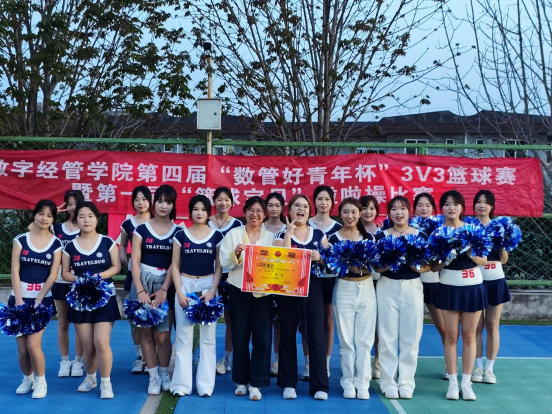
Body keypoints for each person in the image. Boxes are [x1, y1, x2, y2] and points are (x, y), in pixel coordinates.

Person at [219, 196, 276, 401]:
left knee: (262, 338)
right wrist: (236, 254)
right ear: (244, 212)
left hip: (263, 294)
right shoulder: (234, 234)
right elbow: (224, 262)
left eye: (259, 211)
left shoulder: (271, 238)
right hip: (238, 291)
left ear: (264, 215)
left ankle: (257, 382)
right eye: (251, 210)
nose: (255, 214)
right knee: (240, 336)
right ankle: (241, 380)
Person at [62, 201, 120, 399]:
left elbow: (116, 267)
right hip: (80, 299)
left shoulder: (107, 242)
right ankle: (90, 377)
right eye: (81, 216)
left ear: (97, 218)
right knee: (88, 346)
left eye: (90, 216)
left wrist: (98, 277)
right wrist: (81, 280)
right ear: (76, 220)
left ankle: (106, 383)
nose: (86, 220)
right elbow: (65, 273)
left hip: (105, 297)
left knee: (101, 342)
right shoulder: (70, 246)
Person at [433, 190, 488, 401]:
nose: (451, 208)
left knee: (469, 335)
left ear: (462, 208)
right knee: (451, 335)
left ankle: (466, 383)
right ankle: (453, 384)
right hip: (448, 287)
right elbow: (433, 267)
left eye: (455, 204)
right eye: (447, 204)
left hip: (473, 287)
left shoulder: (473, 230)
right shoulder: (438, 233)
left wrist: (470, 253)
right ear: (442, 208)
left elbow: (484, 260)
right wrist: (445, 257)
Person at [375, 196, 430, 400]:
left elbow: (428, 265)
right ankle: (388, 382)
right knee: (387, 336)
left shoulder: (420, 235)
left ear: (410, 212)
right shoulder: (381, 236)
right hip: (386, 286)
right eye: (394, 209)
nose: (399, 213)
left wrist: (416, 265)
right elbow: (376, 267)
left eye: (403, 208)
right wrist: (391, 262)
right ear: (389, 213)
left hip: (412, 287)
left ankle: (406, 382)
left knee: (411, 337)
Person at [275, 194, 330, 400]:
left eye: (305, 206)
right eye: (296, 205)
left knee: (316, 336)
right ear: (289, 210)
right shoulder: (281, 234)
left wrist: (320, 257)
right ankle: (289, 384)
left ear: (309, 211)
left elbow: (331, 260)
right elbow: (281, 260)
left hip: (313, 289)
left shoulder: (319, 234)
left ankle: (320, 386)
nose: (301, 209)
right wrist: (289, 233)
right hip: (288, 291)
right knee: (287, 336)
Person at [130, 185, 182, 395]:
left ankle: (164, 373)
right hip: (142, 285)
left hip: (166, 287)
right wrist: (140, 290)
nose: (163, 206)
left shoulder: (178, 232)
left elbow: (175, 263)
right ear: (154, 203)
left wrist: (164, 289)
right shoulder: (141, 230)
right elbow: (135, 261)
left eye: (168, 202)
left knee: (163, 336)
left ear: (173, 205)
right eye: (160, 201)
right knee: (146, 333)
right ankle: (153, 377)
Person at [170, 195, 223, 397]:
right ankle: (181, 385)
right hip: (185, 285)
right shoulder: (181, 235)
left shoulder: (216, 236)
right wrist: (179, 291)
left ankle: (205, 386)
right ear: (190, 212)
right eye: (195, 209)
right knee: (183, 337)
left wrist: (212, 291)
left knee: (208, 339)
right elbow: (175, 265)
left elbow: (219, 266)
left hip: (208, 286)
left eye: (203, 209)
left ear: (209, 212)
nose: (199, 213)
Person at [12, 200, 62, 399]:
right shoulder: (20, 240)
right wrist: (18, 299)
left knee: (33, 345)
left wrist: (40, 298)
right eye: (41, 213)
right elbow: (15, 270)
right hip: (19, 299)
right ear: (34, 215)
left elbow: (53, 274)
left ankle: (41, 382)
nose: (44, 218)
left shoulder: (56, 243)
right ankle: (28, 379)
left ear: (53, 219)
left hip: (42, 301)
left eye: (49, 215)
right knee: (22, 348)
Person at [329, 198, 376, 400]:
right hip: (343, 288)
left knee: (364, 341)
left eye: (354, 212)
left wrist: (363, 267)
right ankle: (348, 381)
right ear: (340, 214)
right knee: (346, 341)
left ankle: (363, 382)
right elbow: (330, 265)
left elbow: (377, 263)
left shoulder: (369, 237)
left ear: (360, 213)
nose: (350, 216)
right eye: (346, 212)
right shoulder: (333, 238)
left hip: (367, 288)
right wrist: (348, 266)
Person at [471, 190, 510, 385]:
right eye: (479, 202)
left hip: (496, 279)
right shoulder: (468, 227)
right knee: (476, 326)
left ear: (492, 206)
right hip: (475, 280)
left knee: (492, 325)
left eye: (486, 202)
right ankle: (477, 368)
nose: (482, 205)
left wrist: (502, 243)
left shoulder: (500, 227)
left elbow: (504, 259)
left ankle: (489, 369)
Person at [50, 190, 85, 378]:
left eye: (76, 204)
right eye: (68, 204)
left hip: (79, 282)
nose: (72, 208)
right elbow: (32, 230)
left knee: (79, 323)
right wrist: (53, 212)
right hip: (60, 280)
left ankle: (78, 361)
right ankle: (64, 361)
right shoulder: (56, 228)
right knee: (63, 322)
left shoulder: (86, 226)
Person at [307, 185, 341, 379]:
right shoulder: (305, 223)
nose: (323, 203)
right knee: (307, 321)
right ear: (314, 201)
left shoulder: (337, 228)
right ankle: (308, 363)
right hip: (308, 280)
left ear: (332, 202)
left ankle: (325, 364)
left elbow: (337, 258)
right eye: (320, 199)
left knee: (327, 320)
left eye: (327, 199)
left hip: (329, 279)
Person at [413, 192, 447, 379]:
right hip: (412, 282)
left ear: (433, 209)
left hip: (433, 282)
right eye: (420, 205)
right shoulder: (409, 228)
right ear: (414, 209)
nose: (423, 208)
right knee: (410, 327)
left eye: (427, 205)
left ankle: (449, 363)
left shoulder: (440, 228)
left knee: (442, 326)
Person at [209, 187, 243, 376]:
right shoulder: (206, 221)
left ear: (232, 202)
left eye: (227, 199)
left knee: (230, 320)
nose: (223, 203)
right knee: (207, 319)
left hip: (230, 277)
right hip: (208, 276)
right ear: (214, 201)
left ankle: (227, 359)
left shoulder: (238, 225)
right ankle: (206, 356)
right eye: (219, 199)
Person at [119, 186, 152, 375]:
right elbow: (123, 245)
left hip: (155, 277)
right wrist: (123, 254)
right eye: (137, 199)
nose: (141, 203)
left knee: (154, 316)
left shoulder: (157, 221)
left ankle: (152, 357)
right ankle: (140, 356)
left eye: (144, 199)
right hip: (134, 274)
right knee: (134, 317)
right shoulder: (128, 223)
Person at [263, 192, 286, 376]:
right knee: (262, 323)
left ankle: (277, 361)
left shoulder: (287, 229)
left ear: (282, 208)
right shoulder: (258, 226)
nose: (273, 208)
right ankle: (261, 359)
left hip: (280, 280)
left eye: (277, 205)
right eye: (270, 205)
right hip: (261, 280)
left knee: (278, 323)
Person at [359, 195, 382, 380]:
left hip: (379, 282)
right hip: (358, 282)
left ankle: (378, 361)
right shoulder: (353, 231)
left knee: (379, 325)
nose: (368, 212)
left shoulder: (383, 234)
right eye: (364, 208)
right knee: (362, 325)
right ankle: (361, 362)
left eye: (372, 208)